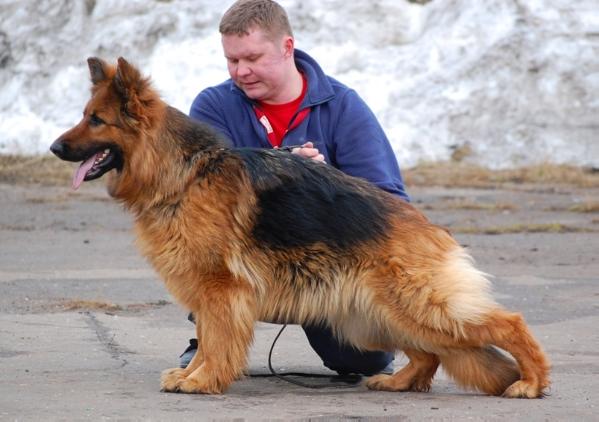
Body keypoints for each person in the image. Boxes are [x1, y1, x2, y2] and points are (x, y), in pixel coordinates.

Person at [181, 0, 410, 376]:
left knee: (363, 361)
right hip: (245, 265)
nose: (242, 71)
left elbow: (391, 201)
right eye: (232, 60)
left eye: (253, 58)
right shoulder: (213, 105)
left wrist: (324, 183)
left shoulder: (344, 106)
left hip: (324, 271)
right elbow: (200, 197)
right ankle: (210, 342)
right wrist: (280, 168)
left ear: (287, 47)